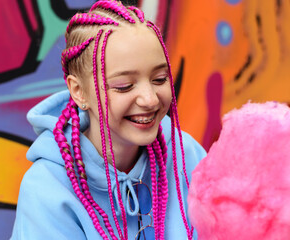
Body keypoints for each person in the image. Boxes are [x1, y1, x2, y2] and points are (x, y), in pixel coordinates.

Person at [11, 1, 206, 239]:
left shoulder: (187, 155)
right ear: (78, 91)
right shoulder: (47, 186)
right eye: (124, 86)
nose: (150, 99)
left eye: (159, 79)